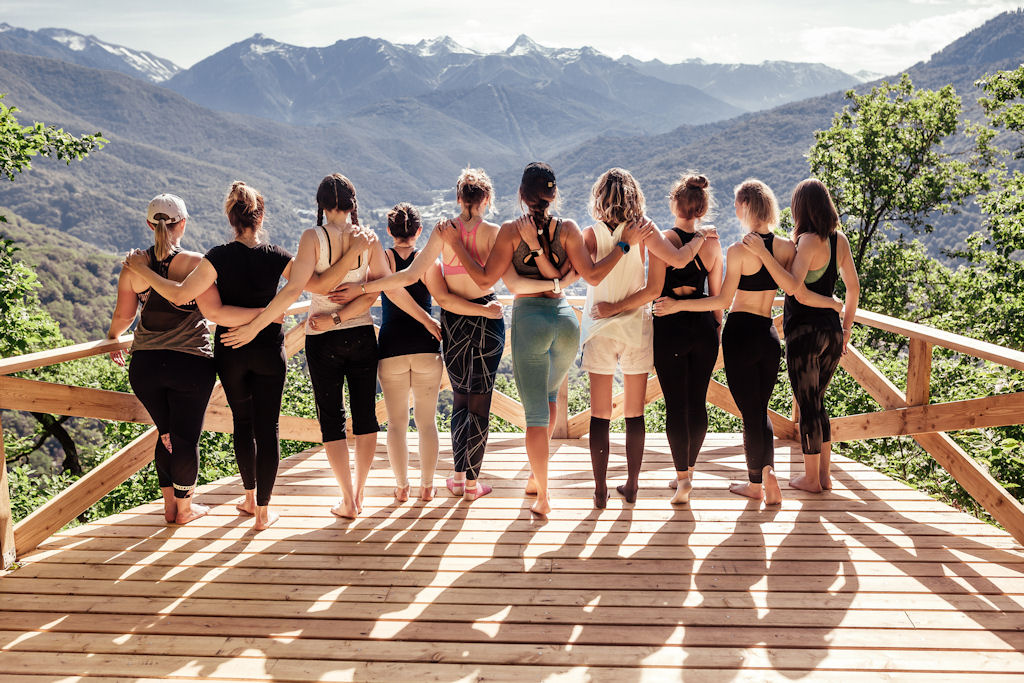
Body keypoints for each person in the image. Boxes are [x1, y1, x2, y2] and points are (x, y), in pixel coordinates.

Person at [124, 181, 367, 530]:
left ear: (230, 217)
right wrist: (353, 251)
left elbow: (180, 295)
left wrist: (143, 270)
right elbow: (321, 284)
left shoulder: (217, 257)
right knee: (268, 428)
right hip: (269, 348)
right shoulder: (278, 256)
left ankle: (250, 499)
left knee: (243, 423)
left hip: (231, 350)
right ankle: (264, 514)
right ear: (261, 215)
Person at [223, 174, 440, 520]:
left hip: (320, 335)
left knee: (332, 420)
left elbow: (294, 290)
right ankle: (359, 492)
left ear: (321, 205)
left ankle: (346, 500)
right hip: (362, 334)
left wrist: (255, 326)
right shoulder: (367, 238)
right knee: (366, 417)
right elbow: (384, 288)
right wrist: (427, 320)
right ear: (352, 204)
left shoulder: (313, 236)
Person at [440, 162, 651, 516]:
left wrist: (455, 245)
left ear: (522, 195)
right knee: (550, 397)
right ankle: (536, 480)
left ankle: (543, 496)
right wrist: (625, 247)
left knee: (535, 414)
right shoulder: (567, 228)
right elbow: (593, 275)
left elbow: (482, 280)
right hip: (565, 322)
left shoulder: (510, 231)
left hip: (531, 321)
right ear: (553, 195)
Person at [662, 179, 838, 505]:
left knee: (750, 414)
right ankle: (762, 477)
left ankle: (758, 481)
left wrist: (679, 304)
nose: (733, 209)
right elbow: (794, 285)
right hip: (768, 335)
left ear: (745, 207)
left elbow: (722, 301)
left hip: (740, 333)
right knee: (761, 411)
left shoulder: (738, 251)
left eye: (736, 204)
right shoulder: (788, 247)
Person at [109, 193, 260, 524]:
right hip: (190, 364)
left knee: (165, 433)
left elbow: (123, 317)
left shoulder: (134, 267)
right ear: (184, 223)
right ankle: (186, 508)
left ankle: (168, 507)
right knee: (185, 437)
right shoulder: (196, 264)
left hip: (145, 366)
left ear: (150, 225)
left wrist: (111, 339)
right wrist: (264, 316)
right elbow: (214, 311)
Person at [592, 173, 723, 505]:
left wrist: (611, 308)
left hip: (657, 327)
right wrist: (716, 325)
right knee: (690, 404)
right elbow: (715, 294)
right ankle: (679, 474)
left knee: (664, 408)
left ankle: (670, 480)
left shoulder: (655, 236)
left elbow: (658, 280)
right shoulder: (703, 241)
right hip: (688, 326)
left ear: (674, 203)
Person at [317, 202, 443, 503]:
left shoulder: (383, 259)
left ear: (389, 231)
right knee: (427, 423)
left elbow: (372, 292)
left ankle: (401, 488)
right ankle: (427, 488)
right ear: (419, 231)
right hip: (427, 346)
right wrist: (429, 320)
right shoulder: (426, 265)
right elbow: (443, 298)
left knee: (397, 423)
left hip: (391, 347)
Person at [740, 178, 859, 492]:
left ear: (801, 209)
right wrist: (845, 326)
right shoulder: (840, 241)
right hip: (833, 334)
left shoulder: (807, 241)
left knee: (807, 405)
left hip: (805, 333)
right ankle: (824, 475)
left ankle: (811, 478)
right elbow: (854, 289)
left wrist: (765, 256)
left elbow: (797, 290)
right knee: (818, 402)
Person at [577, 168, 659, 507]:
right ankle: (632, 485)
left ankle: (599, 490)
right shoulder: (644, 231)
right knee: (634, 412)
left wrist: (609, 309)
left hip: (599, 328)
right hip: (636, 325)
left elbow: (589, 278)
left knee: (599, 414)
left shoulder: (591, 236)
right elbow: (653, 288)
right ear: (633, 197)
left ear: (599, 198)